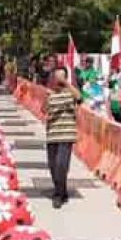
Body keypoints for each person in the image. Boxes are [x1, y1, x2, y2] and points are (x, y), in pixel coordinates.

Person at [43, 68, 81, 209]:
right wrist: (47, 97)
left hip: (66, 135)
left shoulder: (70, 93)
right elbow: (44, 110)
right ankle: (62, 191)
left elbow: (80, 98)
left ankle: (58, 195)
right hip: (52, 134)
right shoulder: (51, 94)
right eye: (56, 77)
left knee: (61, 165)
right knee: (53, 166)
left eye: (60, 76)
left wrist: (66, 83)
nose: (57, 80)